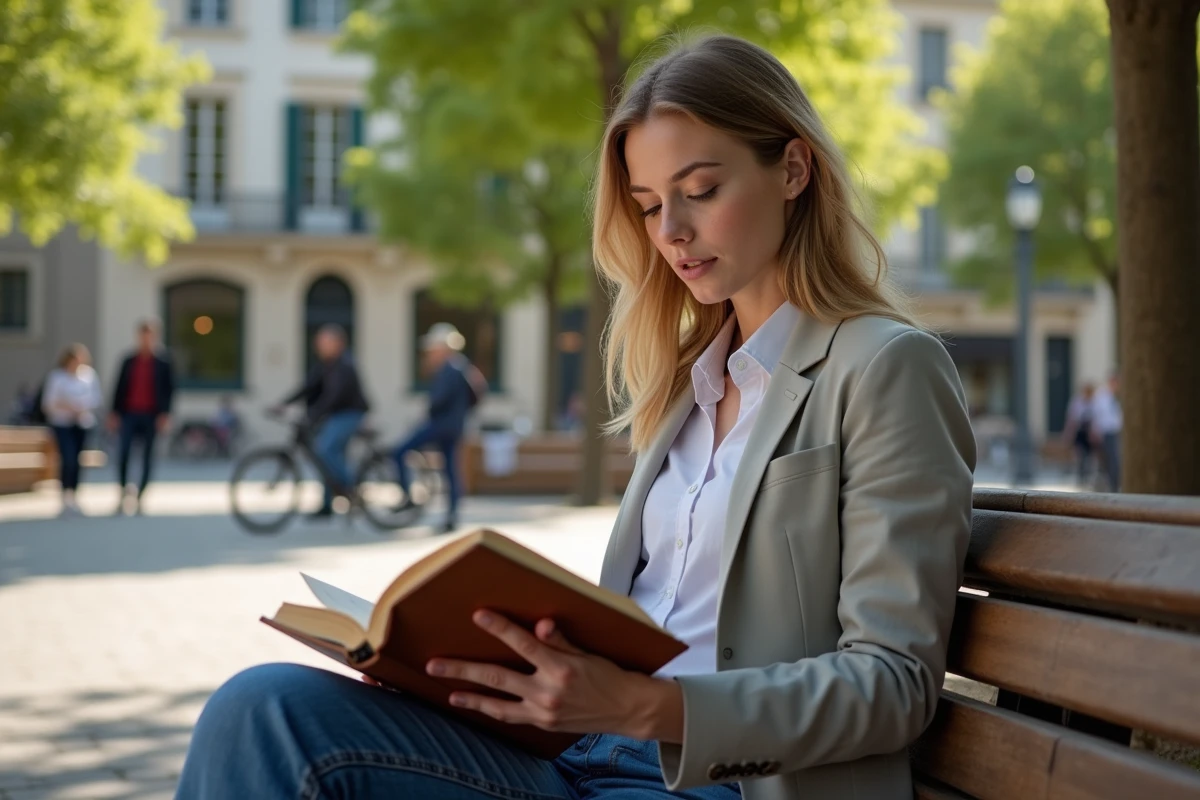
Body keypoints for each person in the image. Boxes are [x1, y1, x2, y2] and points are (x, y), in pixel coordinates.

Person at [176, 35, 975, 800]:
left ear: (794, 167)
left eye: (701, 191)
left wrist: (643, 709)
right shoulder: (688, 381)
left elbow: (893, 684)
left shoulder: (883, 367)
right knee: (262, 710)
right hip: (581, 755)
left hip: (730, 784)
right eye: (649, 203)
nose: (671, 232)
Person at [391, 322, 484, 535]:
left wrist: (430, 411)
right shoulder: (462, 367)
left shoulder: (449, 369)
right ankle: (452, 516)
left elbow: (438, 401)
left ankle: (408, 497)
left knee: (399, 451)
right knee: (450, 470)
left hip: (440, 425)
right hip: (454, 425)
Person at [273, 324, 370, 519]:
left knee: (324, 450)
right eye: (319, 343)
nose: (320, 346)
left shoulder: (344, 365)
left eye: (325, 342)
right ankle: (327, 504)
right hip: (333, 414)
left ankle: (351, 489)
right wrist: (283, 404)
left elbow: (334, 396)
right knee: (325, 458)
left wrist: (314, 414)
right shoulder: (326, 364)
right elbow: (308, 387)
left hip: (349, 414)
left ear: (338, 344)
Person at [108, 319, 175, 515]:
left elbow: (170, 390)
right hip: (129, 413)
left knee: (148, 457)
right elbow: (118, 387)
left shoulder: (163, 362)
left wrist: (165, 415)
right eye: (143, 335)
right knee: (124, 453)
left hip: (151, 415)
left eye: (150, 336)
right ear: (138, 336)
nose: (146, 339)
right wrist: (114, 413)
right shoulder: (128, 360)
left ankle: (140, 497)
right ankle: (122, 492)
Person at [41, 345, 103, 517]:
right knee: (67, 458)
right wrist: (69, 406)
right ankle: (64, 494)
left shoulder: (88, 376)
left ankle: (74, 494)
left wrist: (81, 408)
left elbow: (96, 399)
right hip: (62, 423)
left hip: (82, 423)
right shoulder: (57, 377)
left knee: (77, 460)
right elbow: (48, 403)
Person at [1091, 372, 1122, 492]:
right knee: (1110, 460)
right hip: (1106, 432)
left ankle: (1114, 484)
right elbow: (1097, 415)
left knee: (1115, 459)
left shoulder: (1116, 397)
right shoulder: (1102, 396)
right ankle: (1111, 485)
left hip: (1116, 432)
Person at [1062, 382, 1097, 488]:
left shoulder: (1094, 402)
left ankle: (1088, 477)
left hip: (1089, 433)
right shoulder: (1077, 402)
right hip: (1080, 432)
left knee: (1089, 456)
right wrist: (1068, 433)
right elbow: (1072, 418)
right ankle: (1080, 478)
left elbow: (1096, 419)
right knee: (1080, 454)